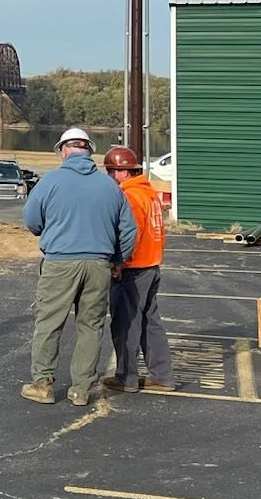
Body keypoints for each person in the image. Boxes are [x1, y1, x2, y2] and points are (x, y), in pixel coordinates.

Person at [20, 126, 136, 406]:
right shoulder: (110, 186)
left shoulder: (50, 181)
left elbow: (31, 221)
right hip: (99, 264)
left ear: (63, 150)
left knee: (49, 323)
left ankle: (43, 384)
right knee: (90, 326)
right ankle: (81, 389)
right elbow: (129, 230)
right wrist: (118, 260)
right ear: (89, 151)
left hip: (60, 262)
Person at [102, 146, 174, 392]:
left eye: (112, 171)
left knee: (126, 323)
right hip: (152, 264)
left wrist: (119, 263)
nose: (110, 176)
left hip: (133, 267)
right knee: (150, 321)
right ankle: (162, 375)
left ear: (122, 172)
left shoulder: (129, 196)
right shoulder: (149, 193)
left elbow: (129, 233)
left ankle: (126, 376)